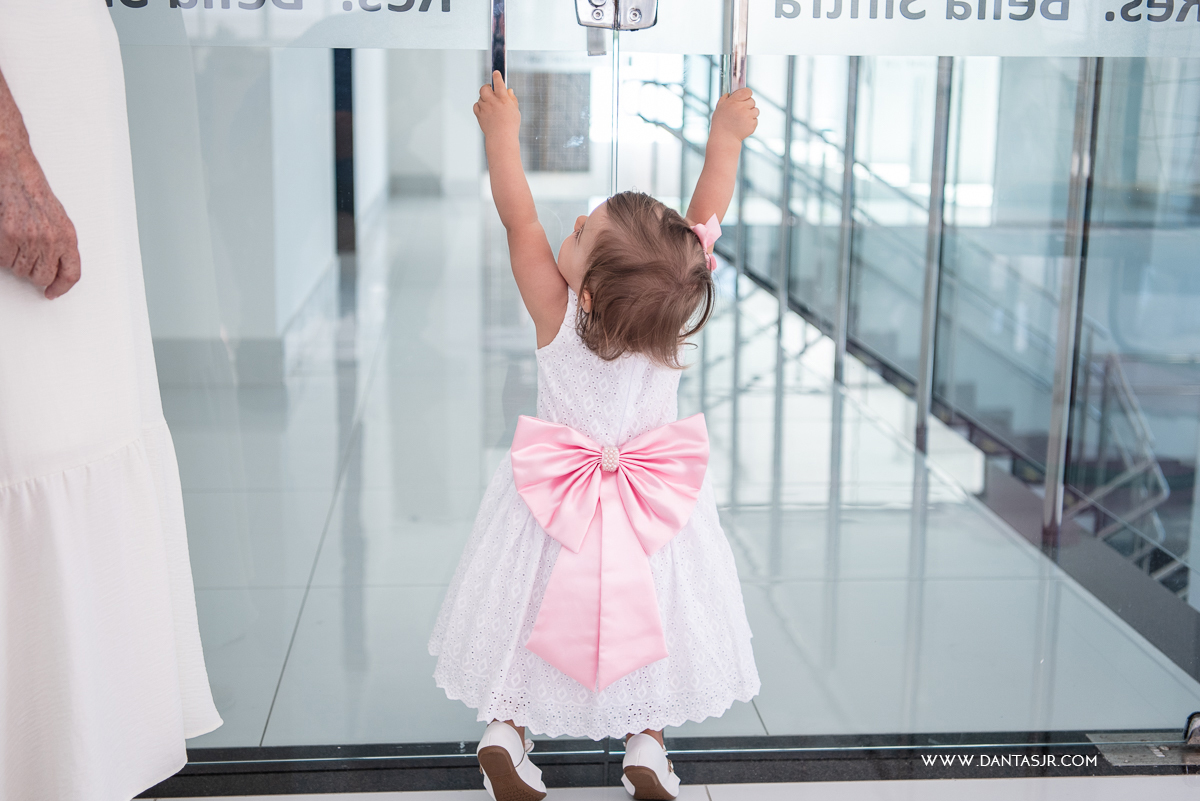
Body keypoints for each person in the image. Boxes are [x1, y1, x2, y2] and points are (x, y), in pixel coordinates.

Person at [428, 71, 761, 801]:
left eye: (580, 230)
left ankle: (507, 728)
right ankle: (647, 740)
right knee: (656, 613)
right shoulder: (667, 310)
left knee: (532, 611)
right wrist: (725, 139)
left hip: (554, 504)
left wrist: (502, 137)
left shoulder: (555, 314)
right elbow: (708, 211)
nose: (568, 228)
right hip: (650, 508)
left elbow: (520, 223)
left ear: (582, 291)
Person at [0, 2, 221, 799]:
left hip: (55, 77)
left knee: (81, 422)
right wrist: (7, 158)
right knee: (37, 430)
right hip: (17, 104)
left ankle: (74, 769)